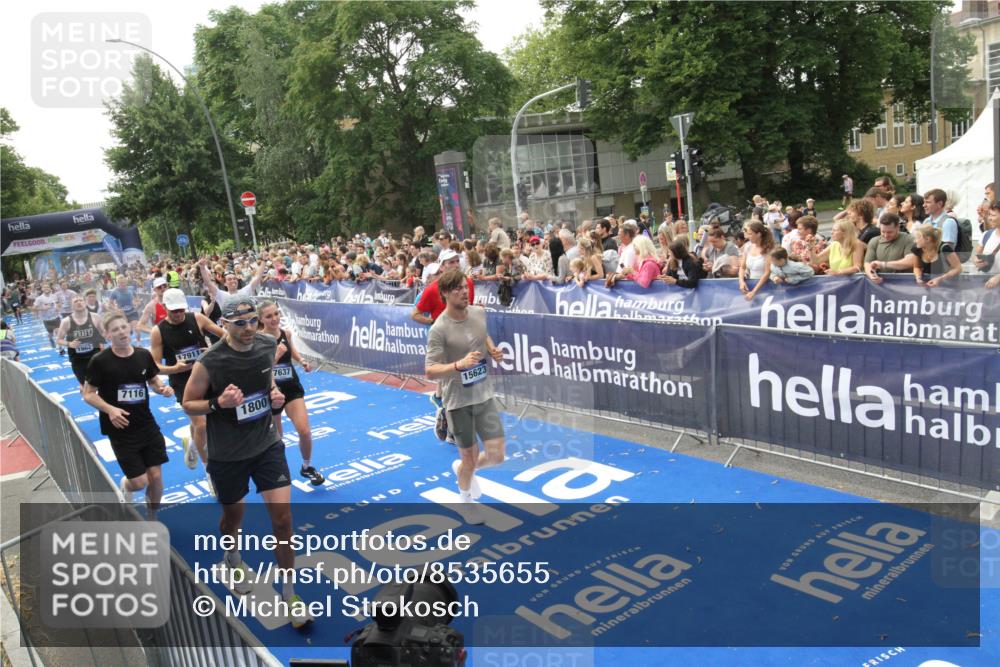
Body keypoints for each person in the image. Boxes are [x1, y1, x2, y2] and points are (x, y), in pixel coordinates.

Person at [182, 298, 312, 627]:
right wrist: (217, 403)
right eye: (240, 324)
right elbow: (188, 404)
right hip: (227, 454)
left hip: (266, 444)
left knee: (283, 520)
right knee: (233, 519)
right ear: (223, 324)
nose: (249, 328)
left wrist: (274, 396)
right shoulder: (210, 361)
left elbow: (265, 380)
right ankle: (234, 558)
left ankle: (290, 593)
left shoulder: (268, 343)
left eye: (253, 321)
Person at [424, 270, 506, 526]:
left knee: (496, 455)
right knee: (469, 456)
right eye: (457, 288)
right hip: (458, 401)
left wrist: (491, 349)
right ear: (446, 293)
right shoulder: (439, 329)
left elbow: (482, 334)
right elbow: (430, 370)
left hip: (483, 395)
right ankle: (466, 502)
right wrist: (458, 365)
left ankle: (464, 471)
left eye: (465, 287)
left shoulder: (479, 313)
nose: (464, 292)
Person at [83, 312, 174, 514]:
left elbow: (152, 380)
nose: (122, 332)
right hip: (121, 430)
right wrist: (110, 409)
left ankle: (152, 517)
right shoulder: (100, 361)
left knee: (156, 477)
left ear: (129, 328)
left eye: (124, 327)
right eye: (115, 329)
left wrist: (162, 388)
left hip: (146, 425)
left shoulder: (143, 355)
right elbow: (88, 394)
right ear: (107, 335)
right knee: (140, 482)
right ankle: (127, 484)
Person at [150, 288, 224, 488]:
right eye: (174, 311)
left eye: (181, 309)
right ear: (164, 308)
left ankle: (192, 443)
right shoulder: (158, 331)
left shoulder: (197, 318)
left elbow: (225, 335)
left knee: (212, 421)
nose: (179, 314)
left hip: (207, 376)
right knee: (201, 425)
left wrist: (212, 350)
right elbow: (154, 366)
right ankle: (210, 471)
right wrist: (175, 368)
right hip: (182, 382)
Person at [257, 300, 324, 486]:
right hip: (271, 391)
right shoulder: (258, 340)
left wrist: (301, 360)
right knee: (277, 439)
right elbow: (261, 368)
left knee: (305, 431)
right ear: (261, 319)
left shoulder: (285, 333)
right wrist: (276, 357)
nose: (274, 319)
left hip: (291, 386)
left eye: (276, 314)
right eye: (269, 316)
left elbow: (292, 351)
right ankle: (278, 472)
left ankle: (306, 466)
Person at [872, 224, 961, 288]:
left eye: (917, 238)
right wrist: (918, 278)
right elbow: (917, 267)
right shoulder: (917, 249)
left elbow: (958, 268)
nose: (915, 241)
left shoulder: (944, 248)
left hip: (948, 287)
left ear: (927, 239)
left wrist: (940, 279)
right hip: (929, 286)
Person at [55, 295, 106, 389]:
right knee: (86, 387)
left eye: (81, 300)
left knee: (102, 384)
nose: (79, 302)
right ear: (72, 306)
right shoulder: (66, 321)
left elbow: (103, 332)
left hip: (95, 356)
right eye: (75, 301)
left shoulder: (95, 317)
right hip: (78, 360)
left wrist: (101, 341)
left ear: (85, 303)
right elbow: (58, 340)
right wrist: (69, 344)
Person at [863, 213, 914, 284]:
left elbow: (910, 262)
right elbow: (867, 263)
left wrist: (884, 264)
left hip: (904, 284)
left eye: (890, 232)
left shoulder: (909, 239)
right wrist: (872, 275)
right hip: (881, 285)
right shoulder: (874, 241)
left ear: (898, 227)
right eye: (883, 232)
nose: (886, 235)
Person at [738, 221, 774, 301]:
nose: (747, 237)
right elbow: (742, 267)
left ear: (758, 234)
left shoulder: (769, 249)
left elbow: (767, 273)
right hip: (751, 285)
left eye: (750, 234)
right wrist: (741, 281)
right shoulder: (747, 246)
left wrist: (754, 291)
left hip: (766, 287)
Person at [973, 201, 1000, 276]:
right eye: (989, 215)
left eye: (993, 215)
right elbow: (976, 255)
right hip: (985, 283)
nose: (989, 218)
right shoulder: (986, 235)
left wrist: (998, 278)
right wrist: (977, 261)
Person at [32, 284, 62, 351]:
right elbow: (33, 309)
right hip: (46, 319)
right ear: (42, 289)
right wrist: (42, 308)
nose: (46, 288)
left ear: (50, 288)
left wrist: (58, 307)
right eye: (44, 287)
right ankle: (51, 339)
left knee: (58, 332)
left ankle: (60, 346)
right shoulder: (39, 298)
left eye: (47, 287)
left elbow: (58, 304)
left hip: (56, 317)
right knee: (51, 333)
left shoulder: (55, 296)